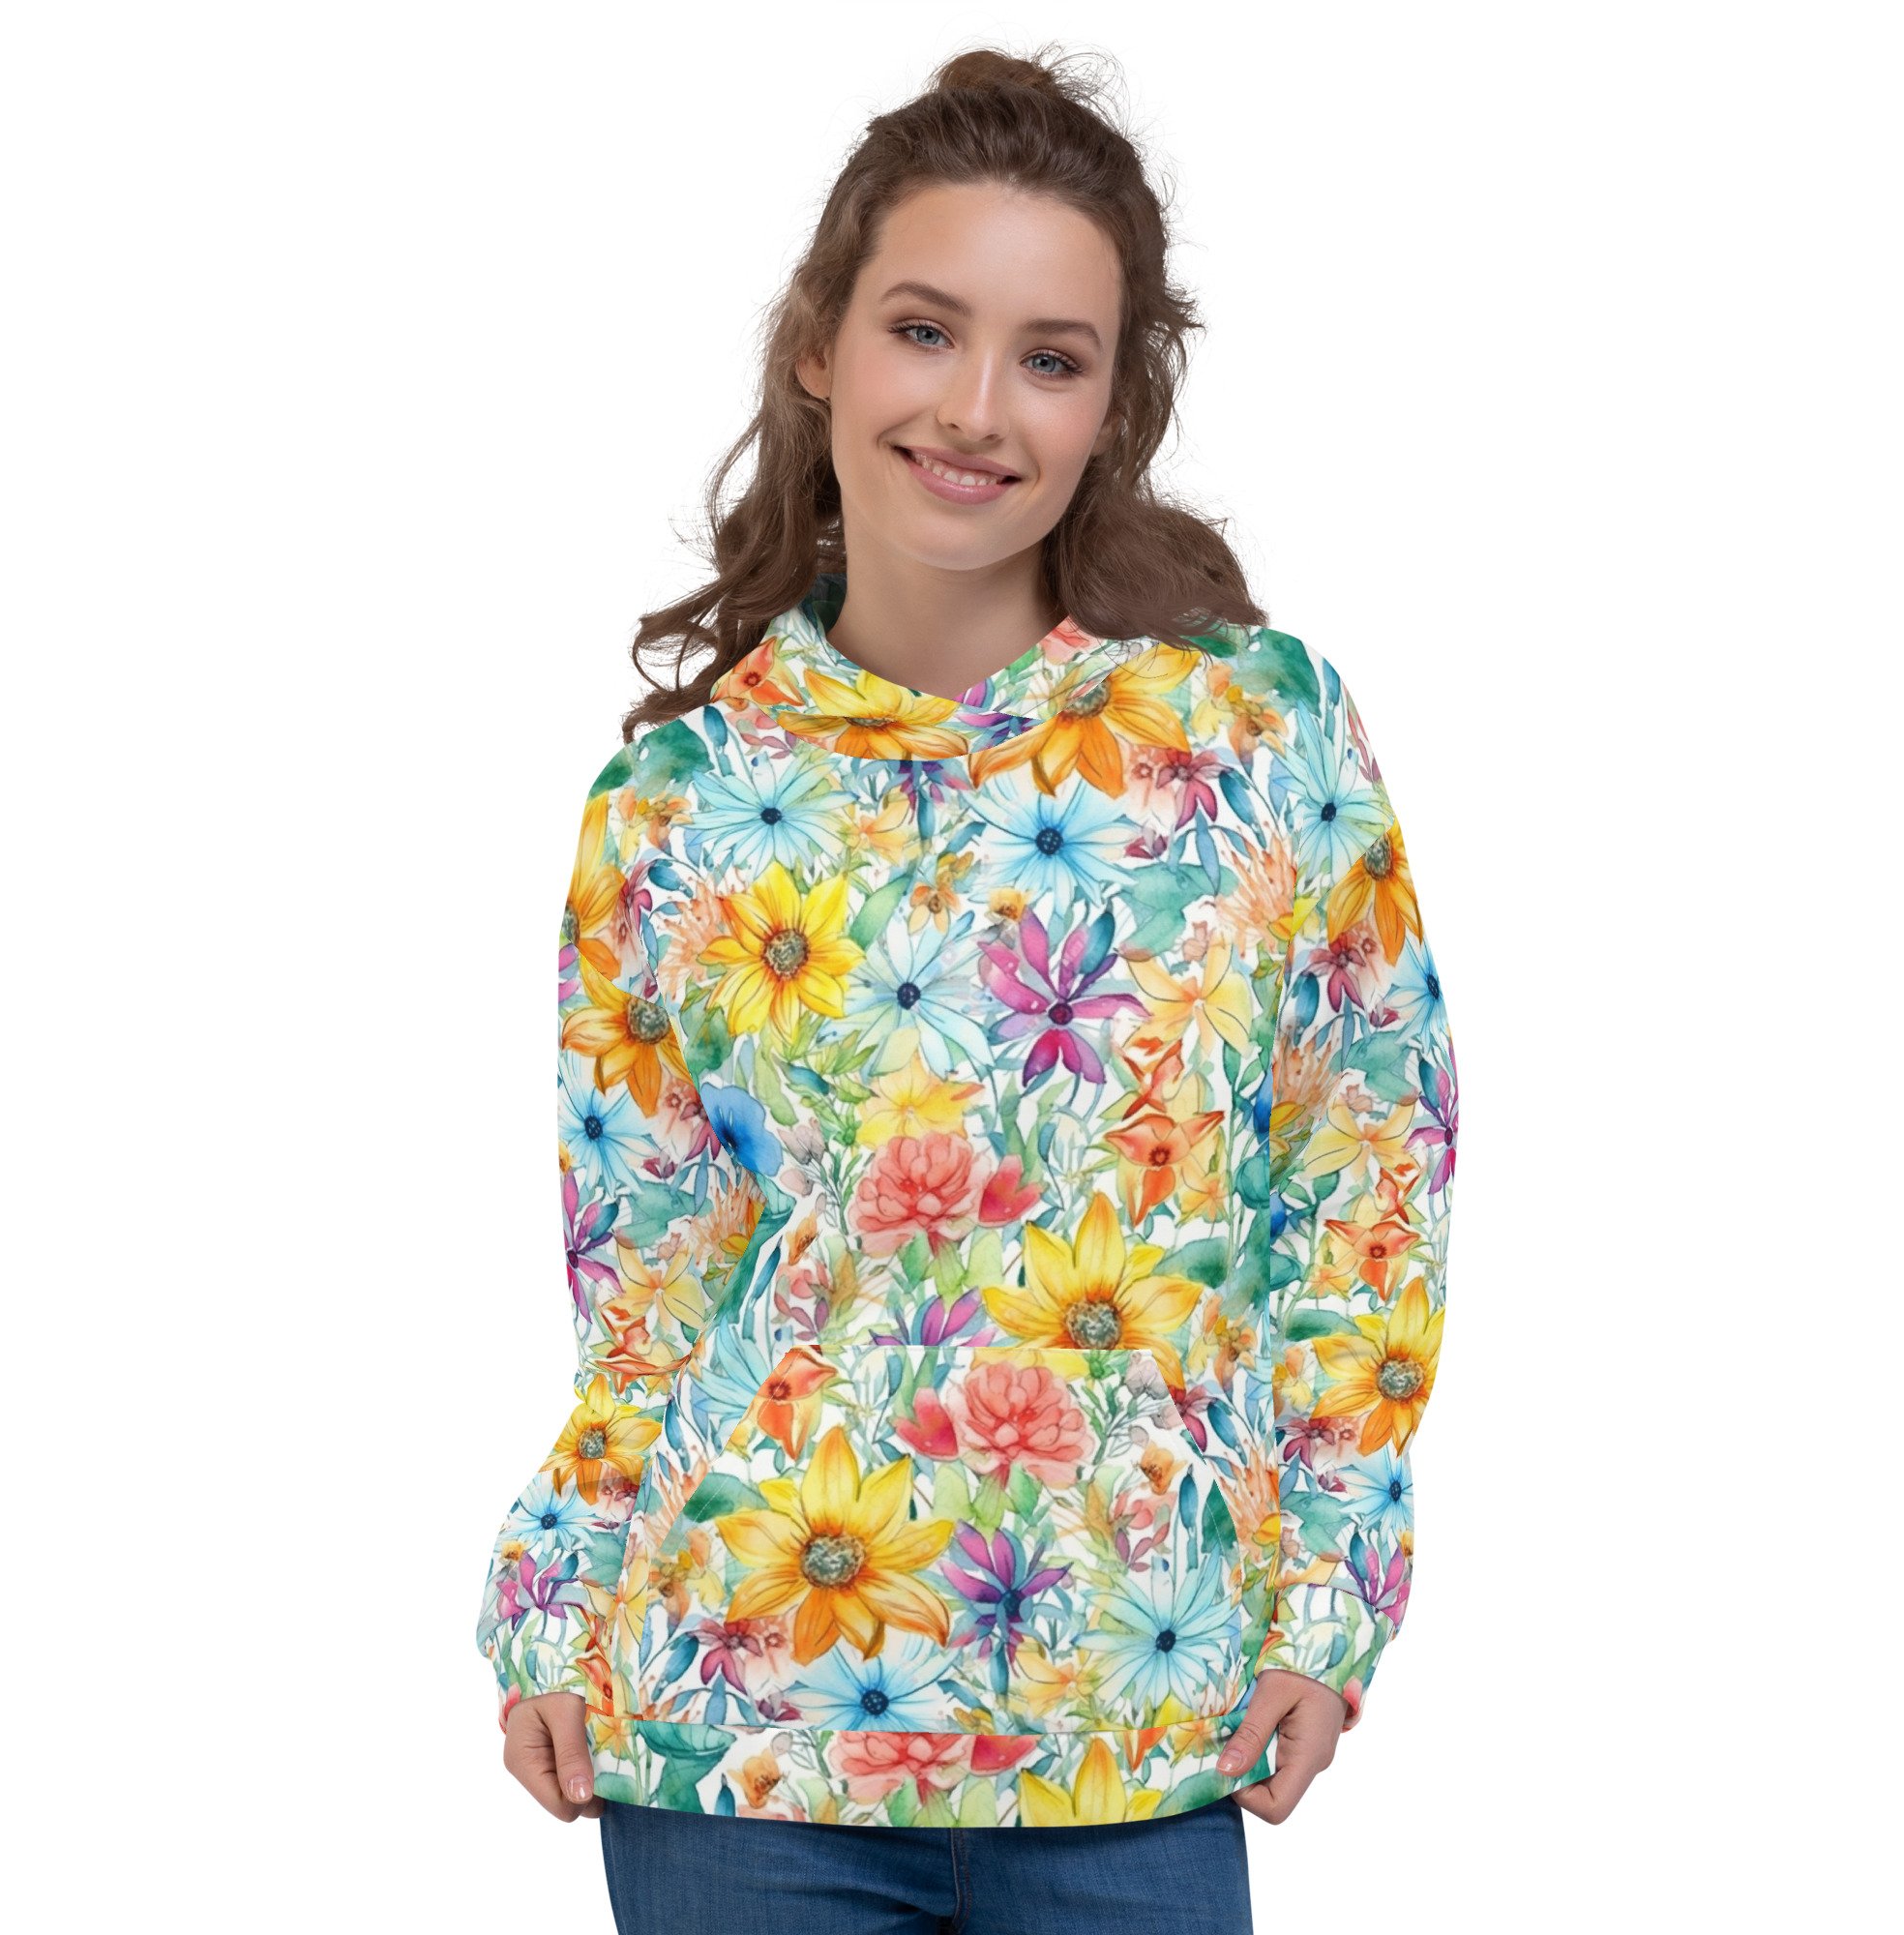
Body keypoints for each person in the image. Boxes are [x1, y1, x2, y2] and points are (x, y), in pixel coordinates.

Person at [473, 42, 1458, 1935]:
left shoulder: (1251, 737)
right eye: (925, 330)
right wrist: (560, 1596)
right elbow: (652, 1280)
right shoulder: (677, 804)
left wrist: (1332, 1593)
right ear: (819, 347)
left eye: (1051, 357)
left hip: (1138, 1721)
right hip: (733, 1741)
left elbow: (1365, 1176)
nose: (976, 408)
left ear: (1114, 406)